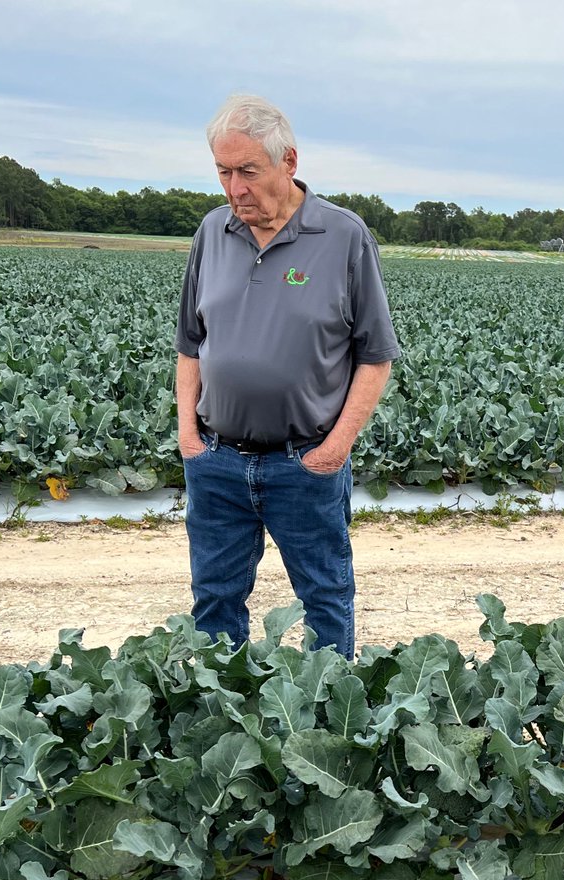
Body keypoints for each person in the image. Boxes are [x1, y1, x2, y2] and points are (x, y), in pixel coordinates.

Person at [175, 94, 400, 655]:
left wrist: (333, 451)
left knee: (324, 599)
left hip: (305, 464)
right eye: (223, 172)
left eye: (247, 171)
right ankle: (221, 715)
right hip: (218, 463)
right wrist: (189, 439)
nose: (234, 189)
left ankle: (328, 728)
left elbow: (375, 356)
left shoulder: (343, 236)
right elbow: (190, 345)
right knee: (215, 602)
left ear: (289, 162)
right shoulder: (211, 233)